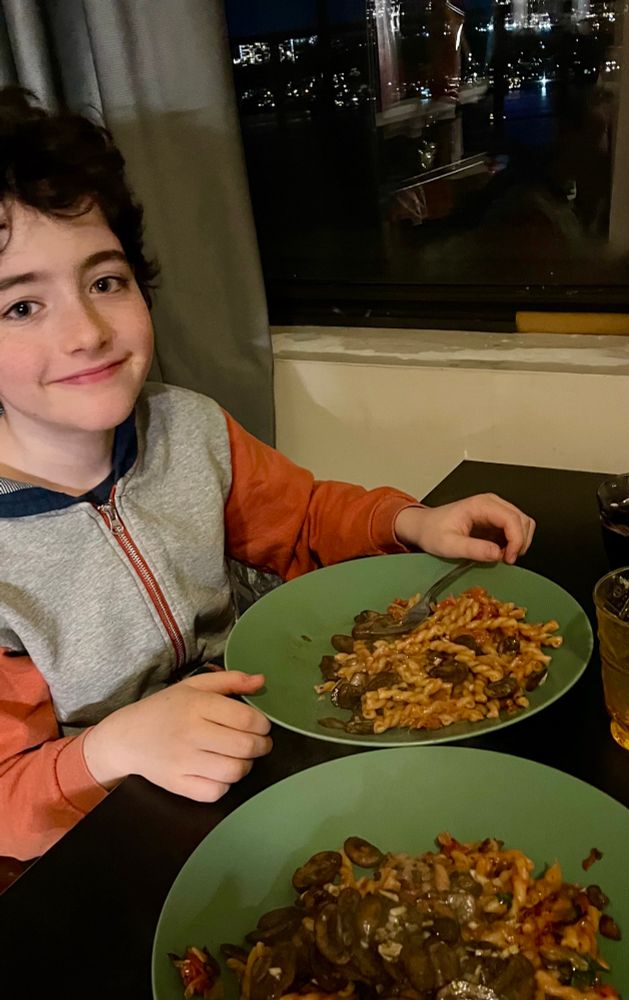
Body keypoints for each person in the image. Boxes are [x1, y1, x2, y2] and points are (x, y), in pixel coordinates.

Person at [0, 88, 535, 862]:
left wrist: (408, 522)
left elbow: (306, 518)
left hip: (252, 746)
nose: (86, 330)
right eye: (21, 307)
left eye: (105, 281)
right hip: (101, 830)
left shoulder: (189, 426)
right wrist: (112, 750)